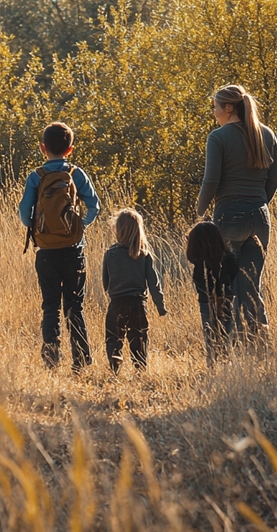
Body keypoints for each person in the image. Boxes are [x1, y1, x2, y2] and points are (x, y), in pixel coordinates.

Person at [196, 84, 277, 342]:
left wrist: (200, 212)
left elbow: (211, 181)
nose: (214, 112)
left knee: (226, 284)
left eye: (215, 106)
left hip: (228, 216)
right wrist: (258, 203)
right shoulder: (266, 134)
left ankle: (228, 342)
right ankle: (259, 341)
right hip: (260, 217)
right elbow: (274, 179)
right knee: (251, 283)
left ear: (229, 108)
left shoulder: (218, 137)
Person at [18, 122, 102, 372]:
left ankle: (51, 360)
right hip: (74, 249)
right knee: (75, 306)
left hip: (45, 252)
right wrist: (79, 226)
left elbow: (24, 213)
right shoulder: (77, 173)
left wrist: (37, 229)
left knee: (50, 305)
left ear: (43, 148)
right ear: (70, 150)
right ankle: (82, 361)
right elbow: (94, 206)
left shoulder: (36, 176)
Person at [101, 209, 166, 373]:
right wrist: (160, 305)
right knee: (139, 337)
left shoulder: (110, 254)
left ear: (117, 229)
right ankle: (140, 367)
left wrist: (111, 292)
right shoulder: (144, 254)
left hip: (116, 302)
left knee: (113, 337)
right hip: (138, 302)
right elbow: (154, 282)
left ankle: (115, 364)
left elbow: (105, 280)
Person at [186, 221, 238, 366]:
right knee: (227, 332)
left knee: (210, 335)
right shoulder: (230, 258)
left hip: (206, 302)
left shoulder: (199, 265)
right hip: (227, 299)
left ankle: (212, 362)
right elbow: (232, 277)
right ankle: (227, 361)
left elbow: (200, 286)